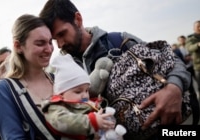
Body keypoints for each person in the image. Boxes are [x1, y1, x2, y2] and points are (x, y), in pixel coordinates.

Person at [39, 0, 191, 131]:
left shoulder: (119, 41)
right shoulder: (59, 69)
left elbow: (171, 60)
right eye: (54, 39)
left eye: (62, 34)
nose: (59, 44)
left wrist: (174, 88)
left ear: (78, 19)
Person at [0, 14, 60, 140]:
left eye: (50, 42)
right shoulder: (3, 89)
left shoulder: (58, 79)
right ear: (18, 47)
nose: (49, 49)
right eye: (40, 43)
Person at [42, 54, 115, 140]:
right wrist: (92, 122)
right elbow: (62, 120)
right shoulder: (55, 107)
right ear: (61, 93)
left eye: (87, 90)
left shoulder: (86, 103)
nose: (85, 95)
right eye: (78, 91)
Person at [186, 20, 200, 96]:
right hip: (198, 66)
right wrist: (197, 45)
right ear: (194, 28)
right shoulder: (191, 38)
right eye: (198, 27)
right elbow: (189, 48)